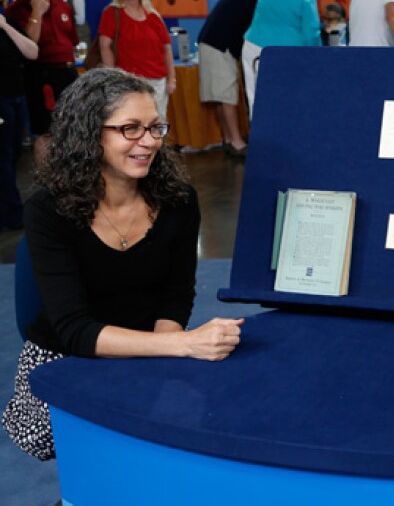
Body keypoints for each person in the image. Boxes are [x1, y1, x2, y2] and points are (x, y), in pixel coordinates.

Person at [1, 68, 245, 461]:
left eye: (154, 128)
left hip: (150, 342)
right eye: (130, 129)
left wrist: (162, 358)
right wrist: (181, 345)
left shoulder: (178, 200)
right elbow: (74, 331)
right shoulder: (48, 210)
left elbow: (176, 296)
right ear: (89, 133)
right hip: (67, 356)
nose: (147, 142)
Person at [5, 0, 78, 165]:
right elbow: (29, 46)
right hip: (40, 74)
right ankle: (47, 184)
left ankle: (74, 176)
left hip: (68, 72)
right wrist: (36, 13)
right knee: (46, 131)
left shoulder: (64, 7)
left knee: (74, 126)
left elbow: (71, 40)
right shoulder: (15, 10)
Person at [242, 0, 321, 119]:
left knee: (255, 99)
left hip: (252, 46)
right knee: (285, 103)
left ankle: (259, 139)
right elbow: (311, 35)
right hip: (282, 55)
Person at [98, 0, 174, 120]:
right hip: (128, 81)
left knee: (158, 120)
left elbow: (166, 49)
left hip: (157, 81)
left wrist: (172, 78)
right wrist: (112, 75)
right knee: (133, 120)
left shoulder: (153, 16)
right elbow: (105, 45)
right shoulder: (112, 13)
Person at [196, 0, 260, 158]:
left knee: (220, 96)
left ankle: (228, 139)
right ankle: (237, 143)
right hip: (220, 45)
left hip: (211, 42)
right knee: (227, 96)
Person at [1, 0, 39, 231]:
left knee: (12, 155)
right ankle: (11, 214)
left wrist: (4, 26)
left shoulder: (8, 19)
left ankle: (9, 208)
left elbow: (31, 51)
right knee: (2, 156)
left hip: (16, 96)